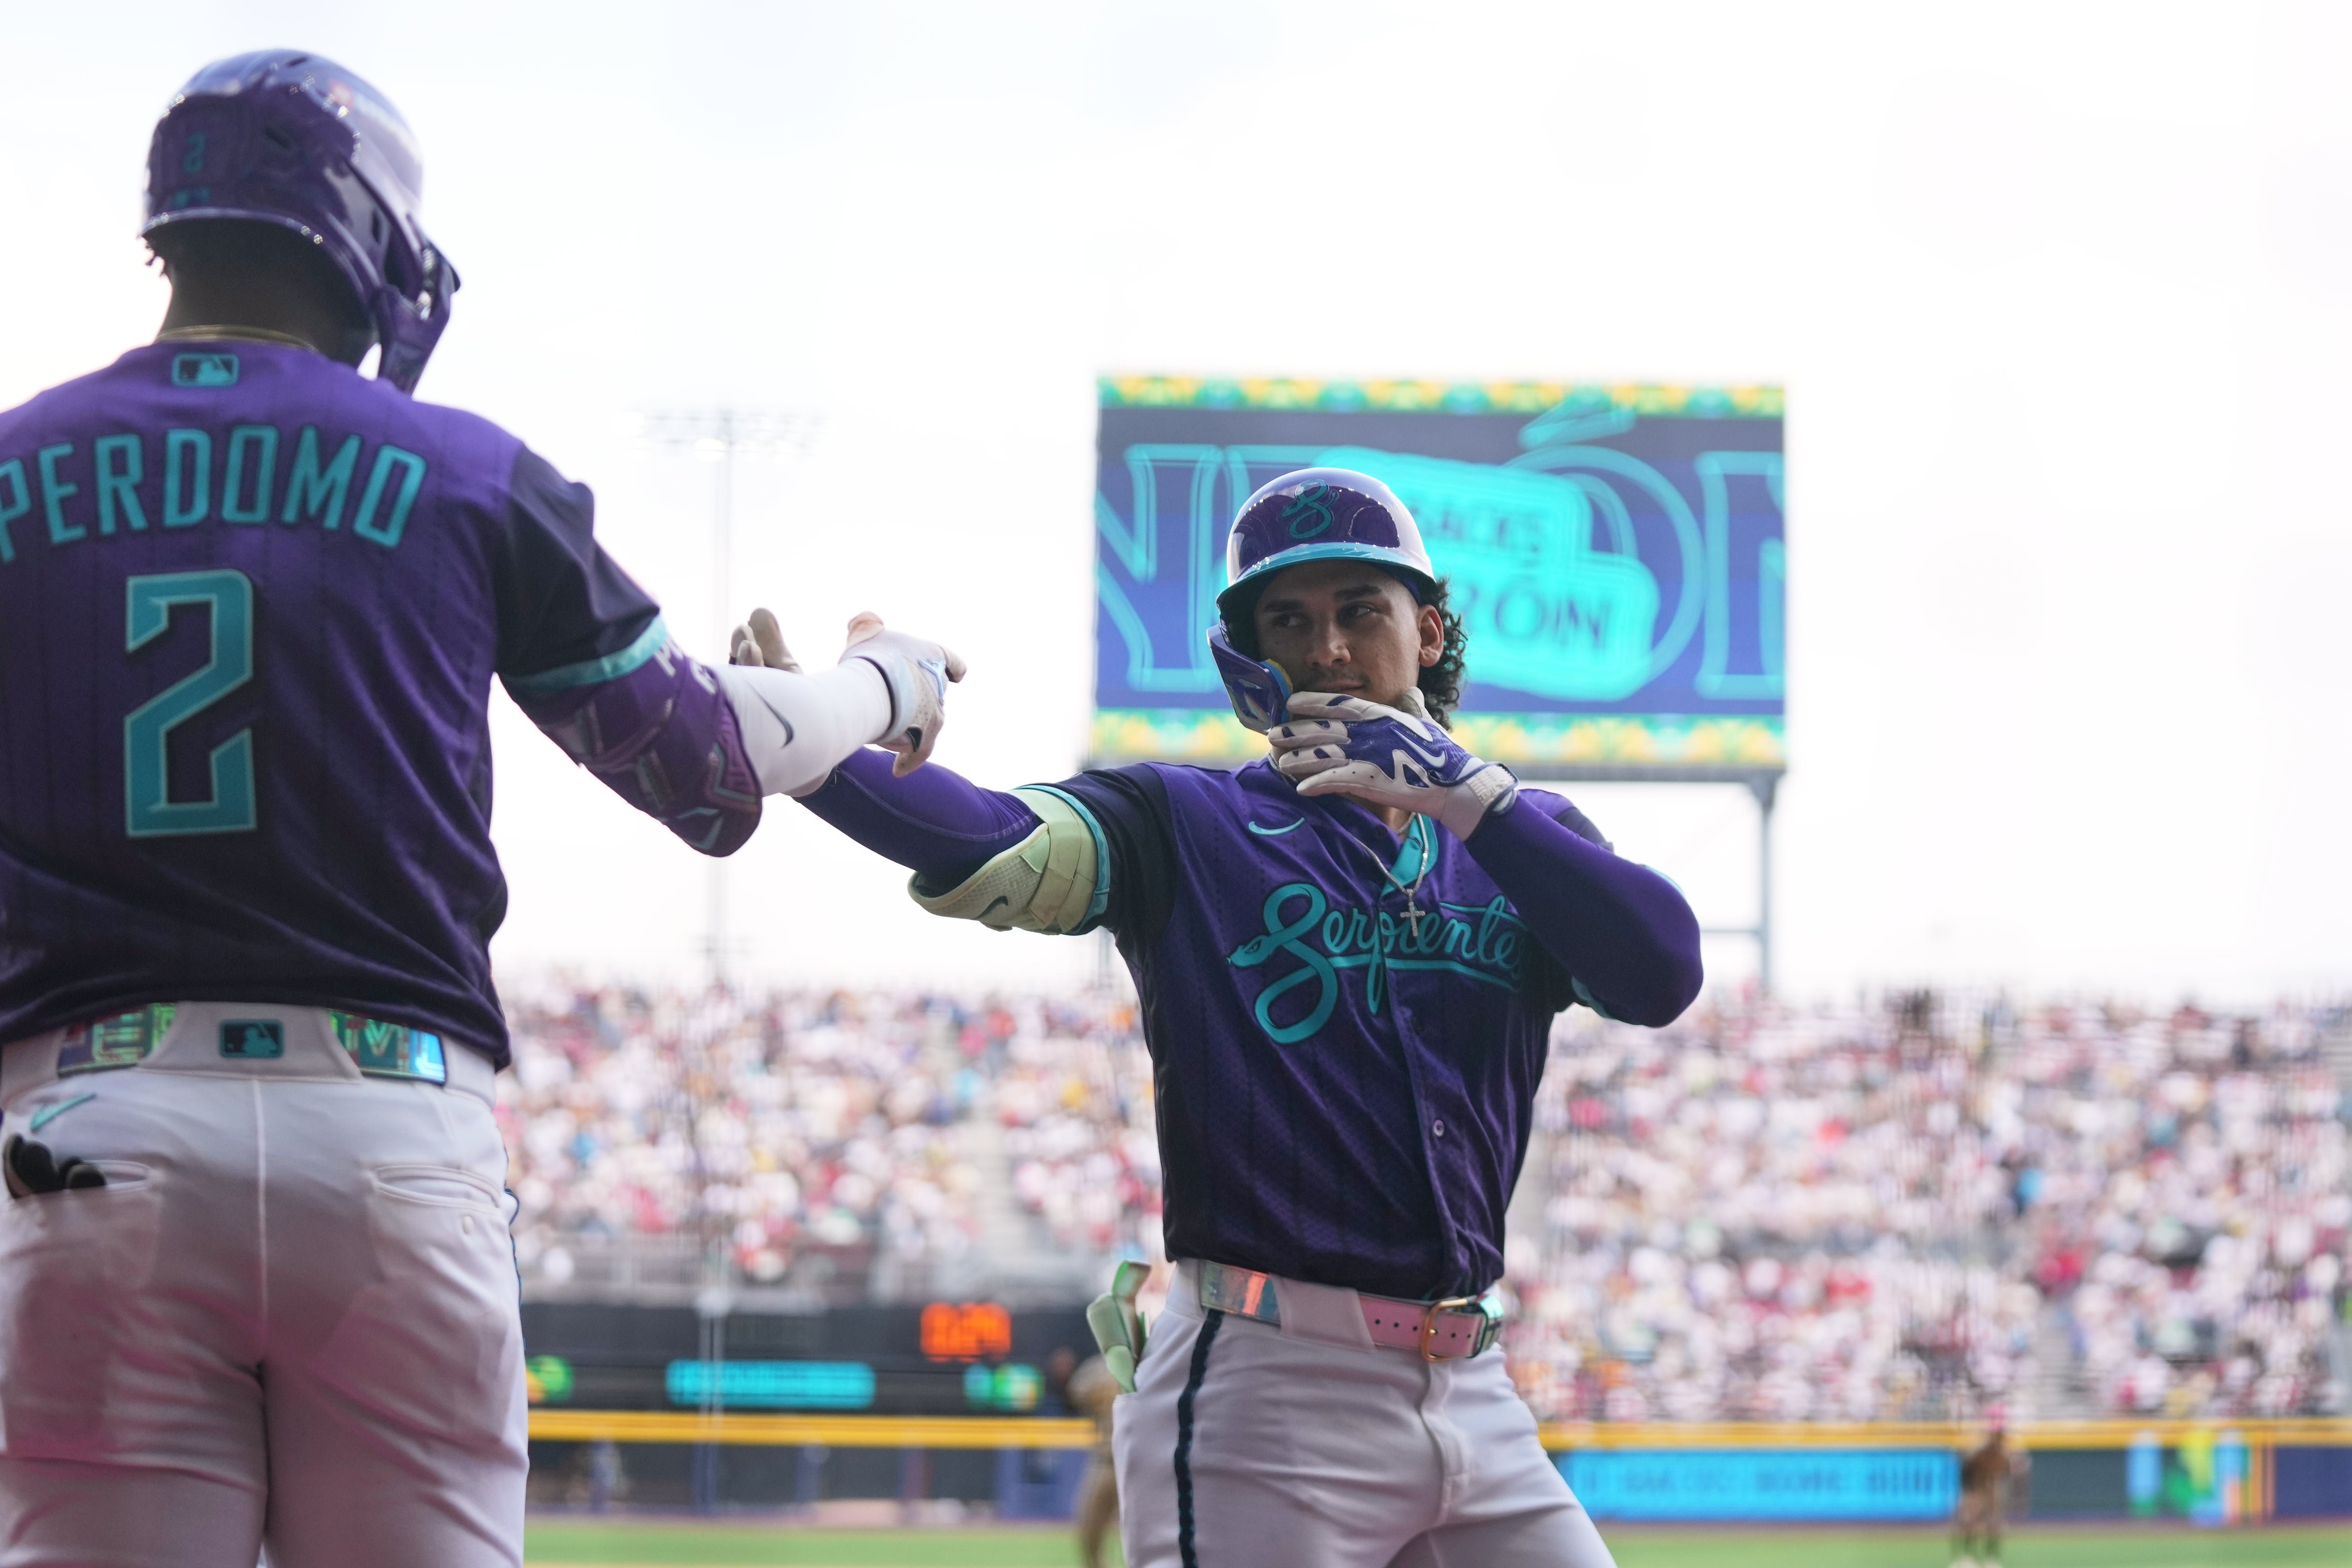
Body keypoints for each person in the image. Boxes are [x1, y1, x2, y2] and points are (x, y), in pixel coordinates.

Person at [0, 50, 959, 1568]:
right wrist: (879, 683)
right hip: (387, 1126)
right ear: (367, 233)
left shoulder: (17, 463)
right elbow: (709, 764)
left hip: (87, 1122)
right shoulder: (462, 469)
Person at [733, 468, 1704, 1568]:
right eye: (1286, 620)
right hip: (1268, 1389)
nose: (1327, 646)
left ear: (1428, 631)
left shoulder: (1519, 835)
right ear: (1247, 659)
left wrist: (1473, 798)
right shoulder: (1186, 820)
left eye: (1360, 610)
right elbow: (988, 836)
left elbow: (1661, 973)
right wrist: (811, 747)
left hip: (1474, 1385)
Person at [1952, 1426, 2024, 1568]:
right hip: (1976, 1491)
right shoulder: (1978, 1454)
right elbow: (1967, 1473)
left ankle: (1990, 1560)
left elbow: (2007, 1474)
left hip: (1992, 1493)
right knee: (1970, 1525)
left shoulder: (2003, 1456)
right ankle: (1967, 1558)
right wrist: (1970, 1493)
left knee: (1993, 1526)